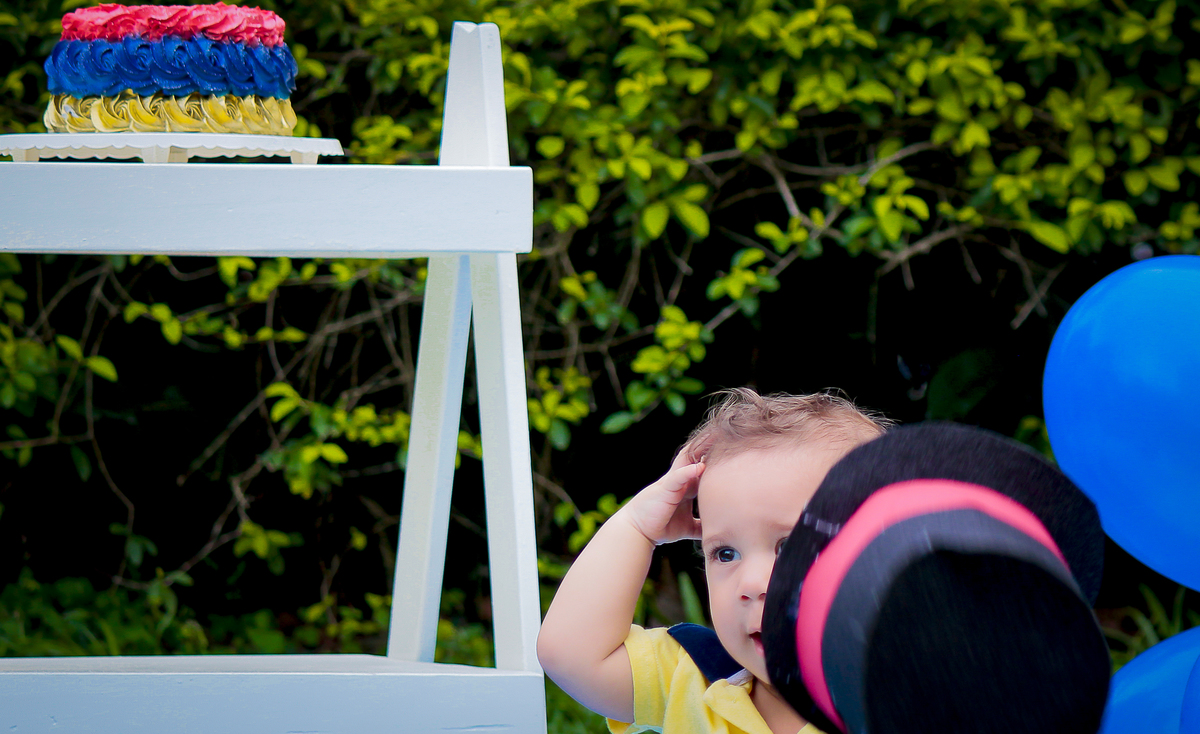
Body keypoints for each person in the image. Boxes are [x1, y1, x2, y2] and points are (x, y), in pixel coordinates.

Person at [537, 388, 890, 734]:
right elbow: (569, 655)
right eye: (725, 553)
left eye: (790, 547)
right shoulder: (695, 678)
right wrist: (637, 528)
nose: (751, 583)